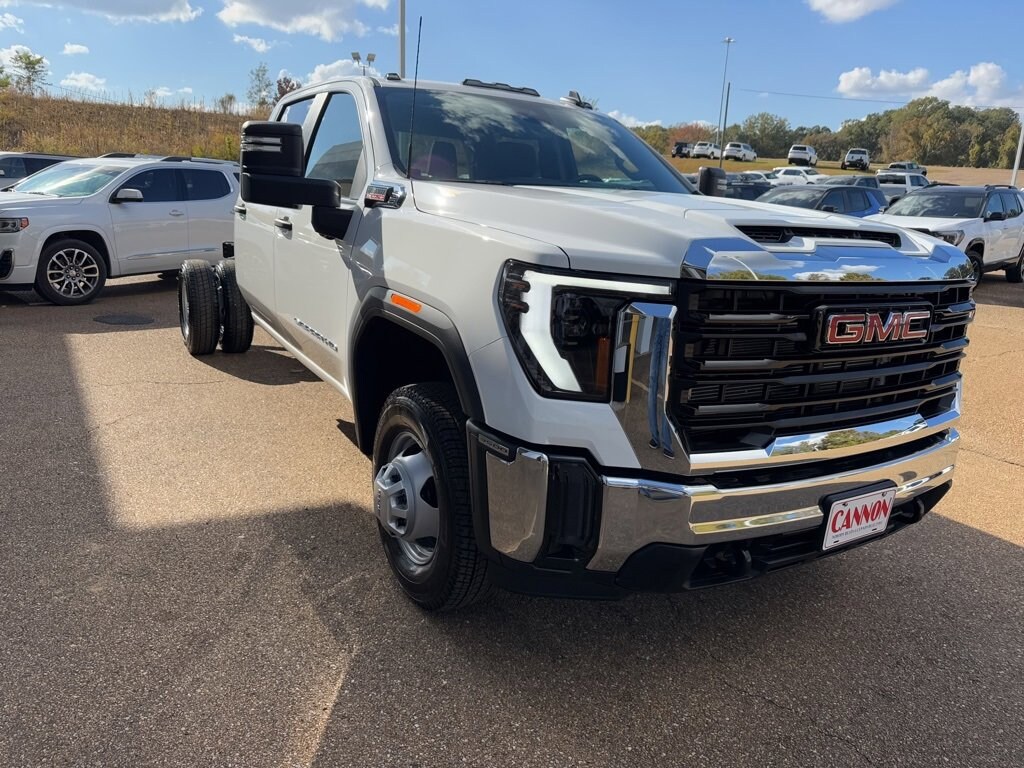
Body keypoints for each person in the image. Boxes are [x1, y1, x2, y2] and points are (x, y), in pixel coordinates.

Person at [647, 315, 675, 459]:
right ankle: (655, 436)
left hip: (671, 326)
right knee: (652, 383)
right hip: (660, 323)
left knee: (666, 388)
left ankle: (667, 442)